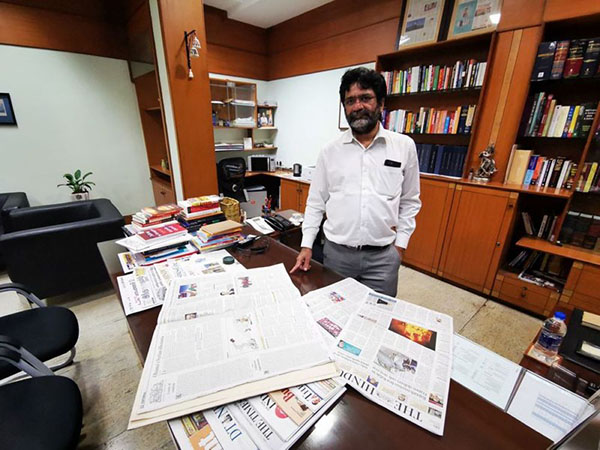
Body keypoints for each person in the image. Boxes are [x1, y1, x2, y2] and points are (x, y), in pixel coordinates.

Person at [290, 67, 421, 297]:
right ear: (344, 107)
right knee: (336, 310)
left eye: (365, 98)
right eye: (350, 101)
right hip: (337, 255)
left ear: (381, 103)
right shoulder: (330, 151)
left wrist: (400, 246)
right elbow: (316, 202)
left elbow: (410, 201)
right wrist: (307, 245)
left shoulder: (404, 146)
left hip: (383, 258)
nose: (358, 106)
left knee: (379, 314)